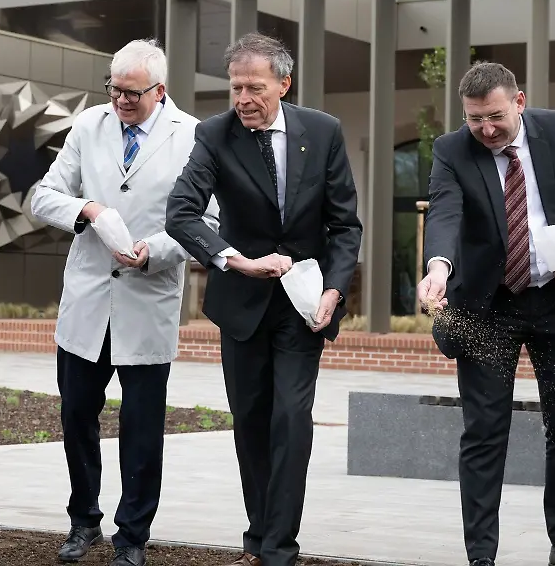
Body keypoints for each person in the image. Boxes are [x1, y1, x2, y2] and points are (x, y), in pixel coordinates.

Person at [165, 33, 362, 566]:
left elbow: (345, 224)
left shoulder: (323, 132)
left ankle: (278, 546)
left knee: (292, 418)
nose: (244, 99)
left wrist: (335, 287)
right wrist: (234, 259)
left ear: (283, 83)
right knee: (251, 420)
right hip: (241, 301)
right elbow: (181, 212)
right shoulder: (214, 135)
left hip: (304, 306)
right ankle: (260, 531)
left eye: (255, 87)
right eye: (235, 88)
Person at [31, 39, 220, 566]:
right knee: (75, 416)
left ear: (161, 91)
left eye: (133, 93)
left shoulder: (194, 137)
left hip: (148, 298)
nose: (121, 100)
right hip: (88, 300)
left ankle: (132, 534)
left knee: (142, 429)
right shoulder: (89, 126)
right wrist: (87, 208)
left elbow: (209, 221)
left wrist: (153, 251)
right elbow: (42, 196)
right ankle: (83, 519)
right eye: (113, 88)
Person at [416, 62, 555, 566]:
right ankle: (481, 555)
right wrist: (438, 267)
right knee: (484, 431)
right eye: (475, 119)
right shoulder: (452, 149)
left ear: (519, 101)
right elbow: (444, 214)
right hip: (487, 308)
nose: (486, 129)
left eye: (496, 116)